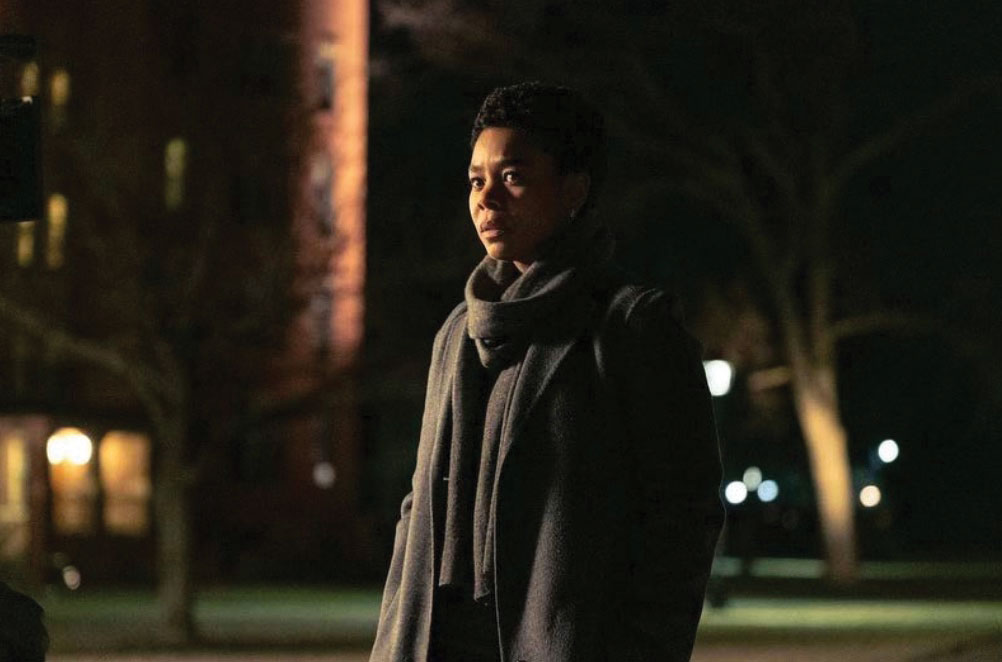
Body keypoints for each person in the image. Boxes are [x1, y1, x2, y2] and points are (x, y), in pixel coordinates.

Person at [370, 81, 725, 662]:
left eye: (513, 177)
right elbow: (418, 509)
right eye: (476, 180)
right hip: (436, 641)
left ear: (574, 190)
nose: (487, 199)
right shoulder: (457, 332)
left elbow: (684, 515)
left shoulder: (630, 325)